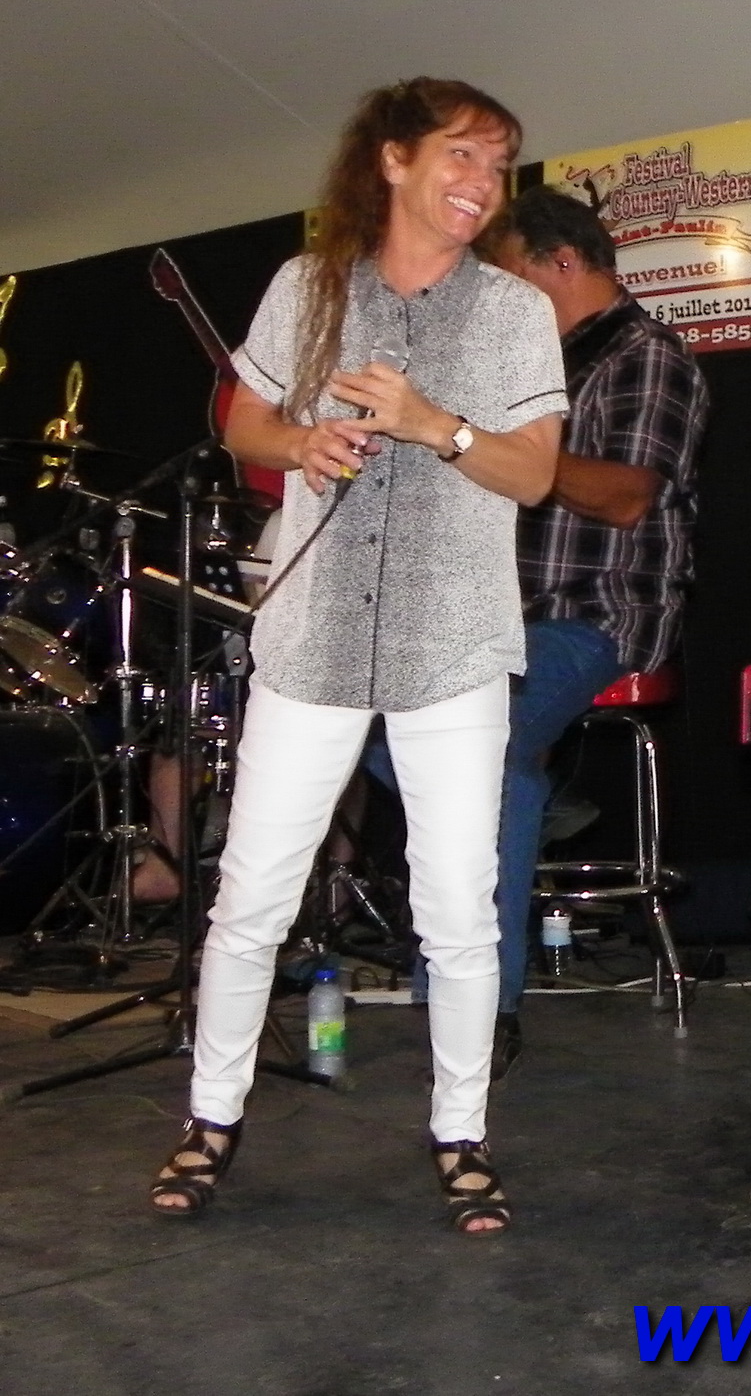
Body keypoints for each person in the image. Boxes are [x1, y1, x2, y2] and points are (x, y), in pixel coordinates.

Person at [147, 78, 567, 1235]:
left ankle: (461, 1134)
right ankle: (210, 1119)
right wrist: (303, 440)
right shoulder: (309, 286)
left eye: (498, 165)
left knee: (458, 910)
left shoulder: (512, 311)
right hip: (315, 633)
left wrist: (437, 425)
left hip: (453, 639)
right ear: (393, 160)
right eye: (463, 155)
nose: (483, 184)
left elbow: (535, 474)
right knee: (250, 898)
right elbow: (242, 419)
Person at [451, 185, 705, 1072]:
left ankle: (484, 1006)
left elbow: (627, 495)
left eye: (504, 275)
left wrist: (488, 449)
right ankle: (534, 796)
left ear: (561, 262)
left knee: (483, 751)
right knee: (362, 712)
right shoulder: (521, 369)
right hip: (493, 620)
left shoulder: (647, 356)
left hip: (596, 616)